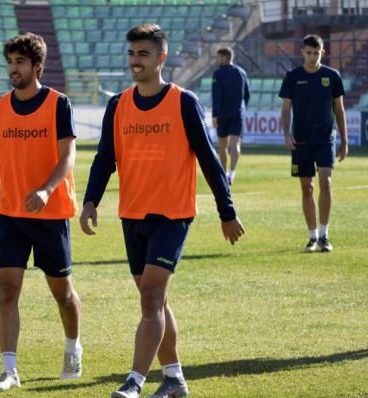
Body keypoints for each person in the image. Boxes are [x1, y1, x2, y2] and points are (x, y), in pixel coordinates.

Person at [79, 24, 245, 398]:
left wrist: (227, 211)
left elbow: (208, 158)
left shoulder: (183, 102)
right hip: (132, 215)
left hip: (172, 215)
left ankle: (134, 381)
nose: (135, 61)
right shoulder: (118, 104)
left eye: (144, 54)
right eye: (132, 54)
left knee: (151, 298)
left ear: (161, 58)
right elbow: (105, 158)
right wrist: (91, 200)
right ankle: (174, 379)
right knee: (156, 301)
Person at [0, 32, 83, 391]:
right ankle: (9, 369)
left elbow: (68, 156)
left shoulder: (58, 104)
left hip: (51, 215)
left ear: (37, 65)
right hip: (10, 214)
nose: (13, 69)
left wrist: (46, 189)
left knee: (62, 293)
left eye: (20, 62)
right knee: (7, 290)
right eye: (9, 62)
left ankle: (72, 346)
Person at [279, 34, 348, 253]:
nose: (312, 57)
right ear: (302, 53)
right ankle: (312, 237)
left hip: (325, 139)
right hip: (301, 140)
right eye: (308, 53)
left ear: (322, 53)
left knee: (325, 182)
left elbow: (339, 109)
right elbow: (286, 108)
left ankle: (325, 235)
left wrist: (345, 140)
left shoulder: (332, 76)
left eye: (316, 53)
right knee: (307, 187)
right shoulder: (292, 77)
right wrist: (286, 135)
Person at [211, 47, 251, 186]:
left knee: (222, 146)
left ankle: (223, 174)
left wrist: (215, 114)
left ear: (225, 57)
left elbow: (216, 95)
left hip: (222, 114)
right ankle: (231, 173)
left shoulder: (218, 74)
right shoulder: (242, 72)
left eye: (218, 57)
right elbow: (247, 94)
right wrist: (241, 108)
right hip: (237, 113)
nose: (217, 60)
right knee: (235, 144)